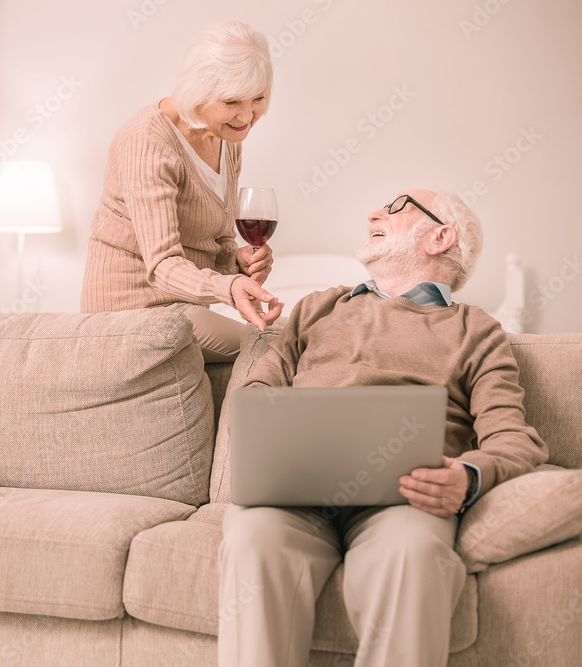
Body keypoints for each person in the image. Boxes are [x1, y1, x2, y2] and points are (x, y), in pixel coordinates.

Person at [218, 190, 548, 666]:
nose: (373, 213)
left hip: (405, 501)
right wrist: (269, 344)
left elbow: (513, 439)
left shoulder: (476, 329)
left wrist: (467, 476)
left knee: (415, 555)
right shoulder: (318, 307)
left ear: (440, 237)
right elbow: (255, 395)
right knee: (251, 538)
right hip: (295, 495)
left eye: (397, 208)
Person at [81, 21, 282, 362]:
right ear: (197, 91)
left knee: (295, 335)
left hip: (184, 308)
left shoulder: (226, 137)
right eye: (232, 101)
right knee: (282, 343)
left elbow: (216, 244)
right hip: (133, 313)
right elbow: (162, 266)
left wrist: (237, 264)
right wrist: (229, 288)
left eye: (258, 99)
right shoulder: (147, 141)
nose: (247, 116)